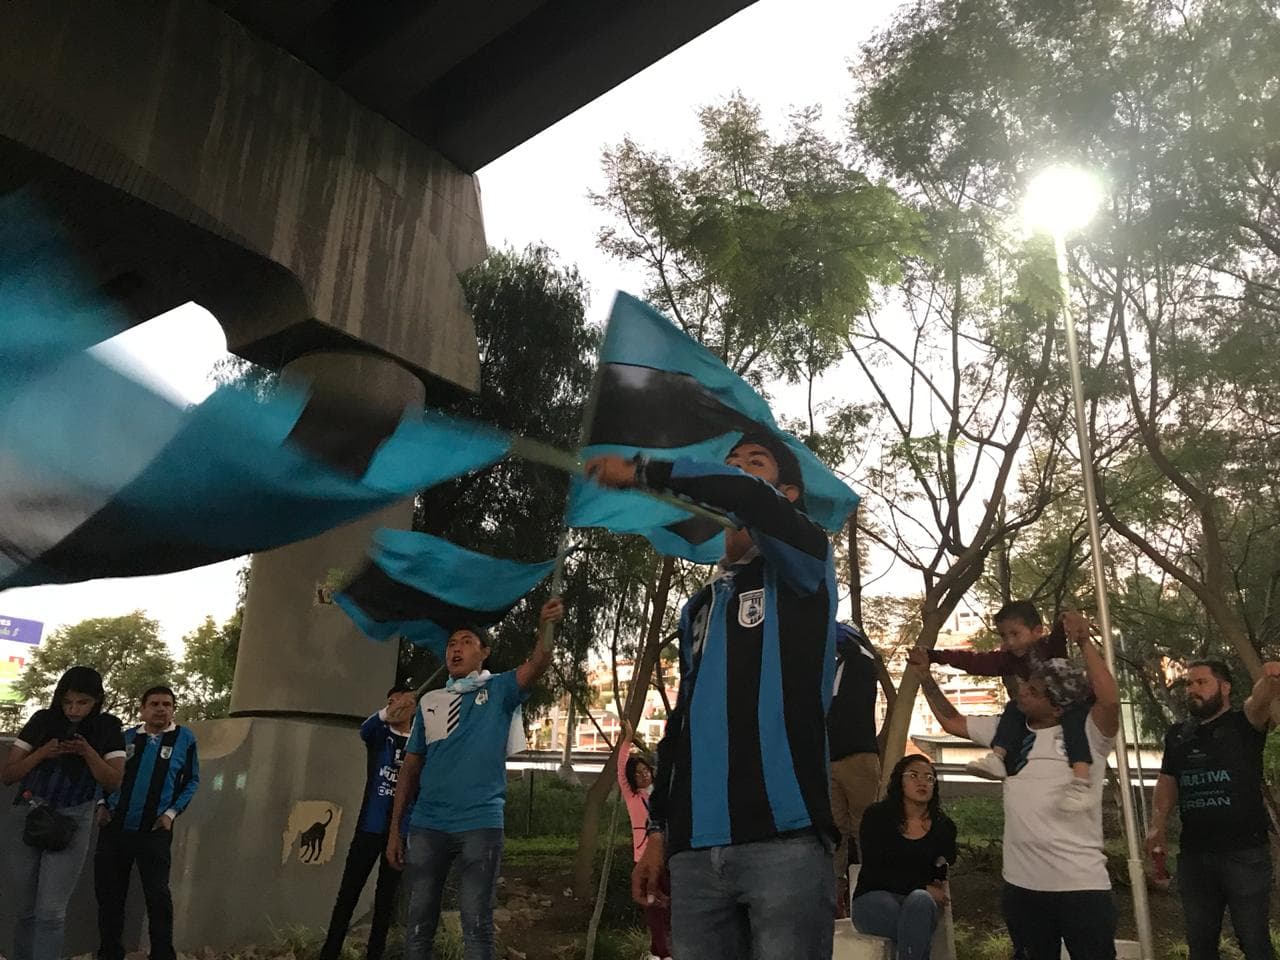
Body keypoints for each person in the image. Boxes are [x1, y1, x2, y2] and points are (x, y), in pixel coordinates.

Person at [588, 431, 838, 960]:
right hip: (695, 852)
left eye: (756, 462)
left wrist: (642, 471)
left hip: (784, 840)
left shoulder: (806, 567)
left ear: (787, 494)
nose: (740, 473)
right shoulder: (697, 608)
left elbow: (746, 495)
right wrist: (658, 831)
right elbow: (682, 723)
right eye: (732, 464)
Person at [914, 611, 1121, 959]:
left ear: (1057, 706)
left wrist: (1084, 641)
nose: (1021, 691)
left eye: (1033, 690)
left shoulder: (1088, 733)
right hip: (1022, 888)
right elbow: (951, 722)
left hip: (1081, 888)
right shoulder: (1007, 731)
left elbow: (1110, 700)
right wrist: (925, 676)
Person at [387, 597, 564, 960]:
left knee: (477, 926)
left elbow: (538, 663)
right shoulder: (430, 702)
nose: (456, 649)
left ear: (484, 652)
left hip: (479, 824)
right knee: (417, 926)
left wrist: (546, 626)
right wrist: (396, 829)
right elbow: (411, 766)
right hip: (427, 825)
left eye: (466, 641)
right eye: (452, 644)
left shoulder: (499, 690)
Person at [1147, 659, 1280, 960]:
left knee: (1253, 941)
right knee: (1201, 945)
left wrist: (1271, 677)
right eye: (1189, 684)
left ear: (1225, 687)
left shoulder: (1244, 723)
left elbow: (1260, 698)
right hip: (1195, 856)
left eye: (1201, 682)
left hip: (1244, 856)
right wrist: (1157, 825)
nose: (1192, 689)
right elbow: (1167, 782)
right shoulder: (1178, 734)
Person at [910, 601, 1095, 812]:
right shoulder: (1009, 660)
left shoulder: (1049, 646)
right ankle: (998, 756)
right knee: (1014, 708)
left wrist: (1067, 618)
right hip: (1044, 709)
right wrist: (934, 657)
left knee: (1074, 726)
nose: (1010, 642)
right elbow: (974, 661)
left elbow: (1061, 631)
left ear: (1037, 631)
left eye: (1015, 634)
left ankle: (1081, 782)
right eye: (1005, 636)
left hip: (1074, 701)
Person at [2, 666, 125, 960]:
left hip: (74, 816)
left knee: (51, 911)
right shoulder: (43, 720)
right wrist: (42, 753)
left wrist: (87, 752)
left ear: (96, 701)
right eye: (68, 702)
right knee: (26, 908)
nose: (73, 710)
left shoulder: (107, 727)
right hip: (30, 811)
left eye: (82, 703)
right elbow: (8, 774)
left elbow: (113, 780)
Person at [94, 685, 199, 960]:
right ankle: (109, 952)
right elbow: (103, 774)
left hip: (154, 832)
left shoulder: (184, 739)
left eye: (167, 704)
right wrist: (101, 804)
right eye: (154, 703)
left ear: (173, 709)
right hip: (116, 829)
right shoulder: (126, 738)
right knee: (110, 895)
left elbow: (192, 780)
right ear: (142, 709)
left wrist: (171, 814)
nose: (161, 708)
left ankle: (163, 954)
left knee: (158, 897)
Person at [318, 682, 418, 960]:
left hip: (401, 831)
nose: (395, 705)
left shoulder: (419, 740)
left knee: (385, 900)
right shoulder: (379, 735)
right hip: (369, 827)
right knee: (348, 894)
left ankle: (375, 952)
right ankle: (330, 951)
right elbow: (366, 729)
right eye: (389, 702)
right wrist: (388, 712)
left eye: (400, 701)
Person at [850, 754, 956, 960]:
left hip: (919, 904)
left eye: (929, 778)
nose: (922, 782)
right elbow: (875, 872)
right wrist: (922, 886)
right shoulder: (877, 817)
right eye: (914, 775)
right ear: (900, 780)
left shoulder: (944, 826)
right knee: (914, 911)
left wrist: (930, 883)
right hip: (874, 900)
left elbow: (942, 867)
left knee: (919, 902)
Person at [828, 620, 882, 916]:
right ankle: (835, 897)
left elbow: (849, 642)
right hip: (832, 758)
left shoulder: (862, 662)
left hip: (858, 756)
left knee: (863, 826)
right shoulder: (834, 669)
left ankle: (867, 891)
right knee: (835, 829)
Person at [617, 718, 671, 960]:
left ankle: (663, 951)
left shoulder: (663, 795)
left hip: (666, 858)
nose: (643, 776)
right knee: (654, 908)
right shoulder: (633, 798)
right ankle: (660, 953)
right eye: (637, 774)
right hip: (644, 860)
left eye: (646, 771)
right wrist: (627, 740)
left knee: (670, 906)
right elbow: (620, 769)